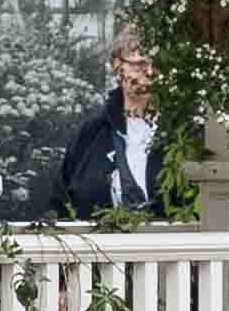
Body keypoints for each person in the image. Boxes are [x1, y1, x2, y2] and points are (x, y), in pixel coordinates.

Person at [52, 18, 165, 217]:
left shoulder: (179, 133)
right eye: (139, 64)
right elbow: (62, 202)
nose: (149, 72)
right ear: (116, 66)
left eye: (155, 65)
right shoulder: (92, 134)